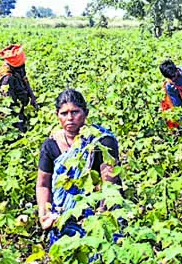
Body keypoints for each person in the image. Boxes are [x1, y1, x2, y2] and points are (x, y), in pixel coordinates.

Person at [35, 89, 120, 245]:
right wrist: (45, 213)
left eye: (75, 112)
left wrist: (100, 217)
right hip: (63, 215)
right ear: (57, 115)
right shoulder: (51, 145)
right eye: (64, 113)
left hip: (98, 210)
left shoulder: (101, 142)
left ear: (85, 113)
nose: (70, 118)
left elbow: (110, 185)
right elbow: (43, 184)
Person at [0, 44, 38, 132]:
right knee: (19, 131)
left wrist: (32, 97)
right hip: (14, 112)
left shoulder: (19, 70)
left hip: (21, 107)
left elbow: (25, 80)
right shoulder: (7, 78)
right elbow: (8, 103)